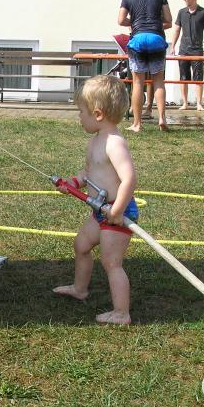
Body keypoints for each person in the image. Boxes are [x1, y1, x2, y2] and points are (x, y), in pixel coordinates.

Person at [53, 75, 138, 325]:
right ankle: (80, 289)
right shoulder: (95, 141)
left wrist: (118, 210)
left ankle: (122, 313)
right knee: (81, 245)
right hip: (100, 211)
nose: (80, 117)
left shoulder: (115, 143)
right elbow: (90, 173)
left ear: (98, 114)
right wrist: (74, 183)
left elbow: (129, 179)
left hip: (117, 213)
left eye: (82, 111)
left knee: (112, 262)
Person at [118, 0, 173, 132]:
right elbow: (169, 20)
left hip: (138, 39)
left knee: (137, 82)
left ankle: (137, 123)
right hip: (156, 38)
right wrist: (155, 24)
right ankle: (162, 119)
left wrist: (134, 24)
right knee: (158, 81)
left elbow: (120, 20)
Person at [170, 0, 204, 111]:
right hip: (183, 49)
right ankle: (185, 103)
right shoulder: (181, 12)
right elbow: (177, 30)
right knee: (184, 77)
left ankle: (199, 103)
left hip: (197, 49)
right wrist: (173, 46)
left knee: (198, 76)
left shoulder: (203, 12)